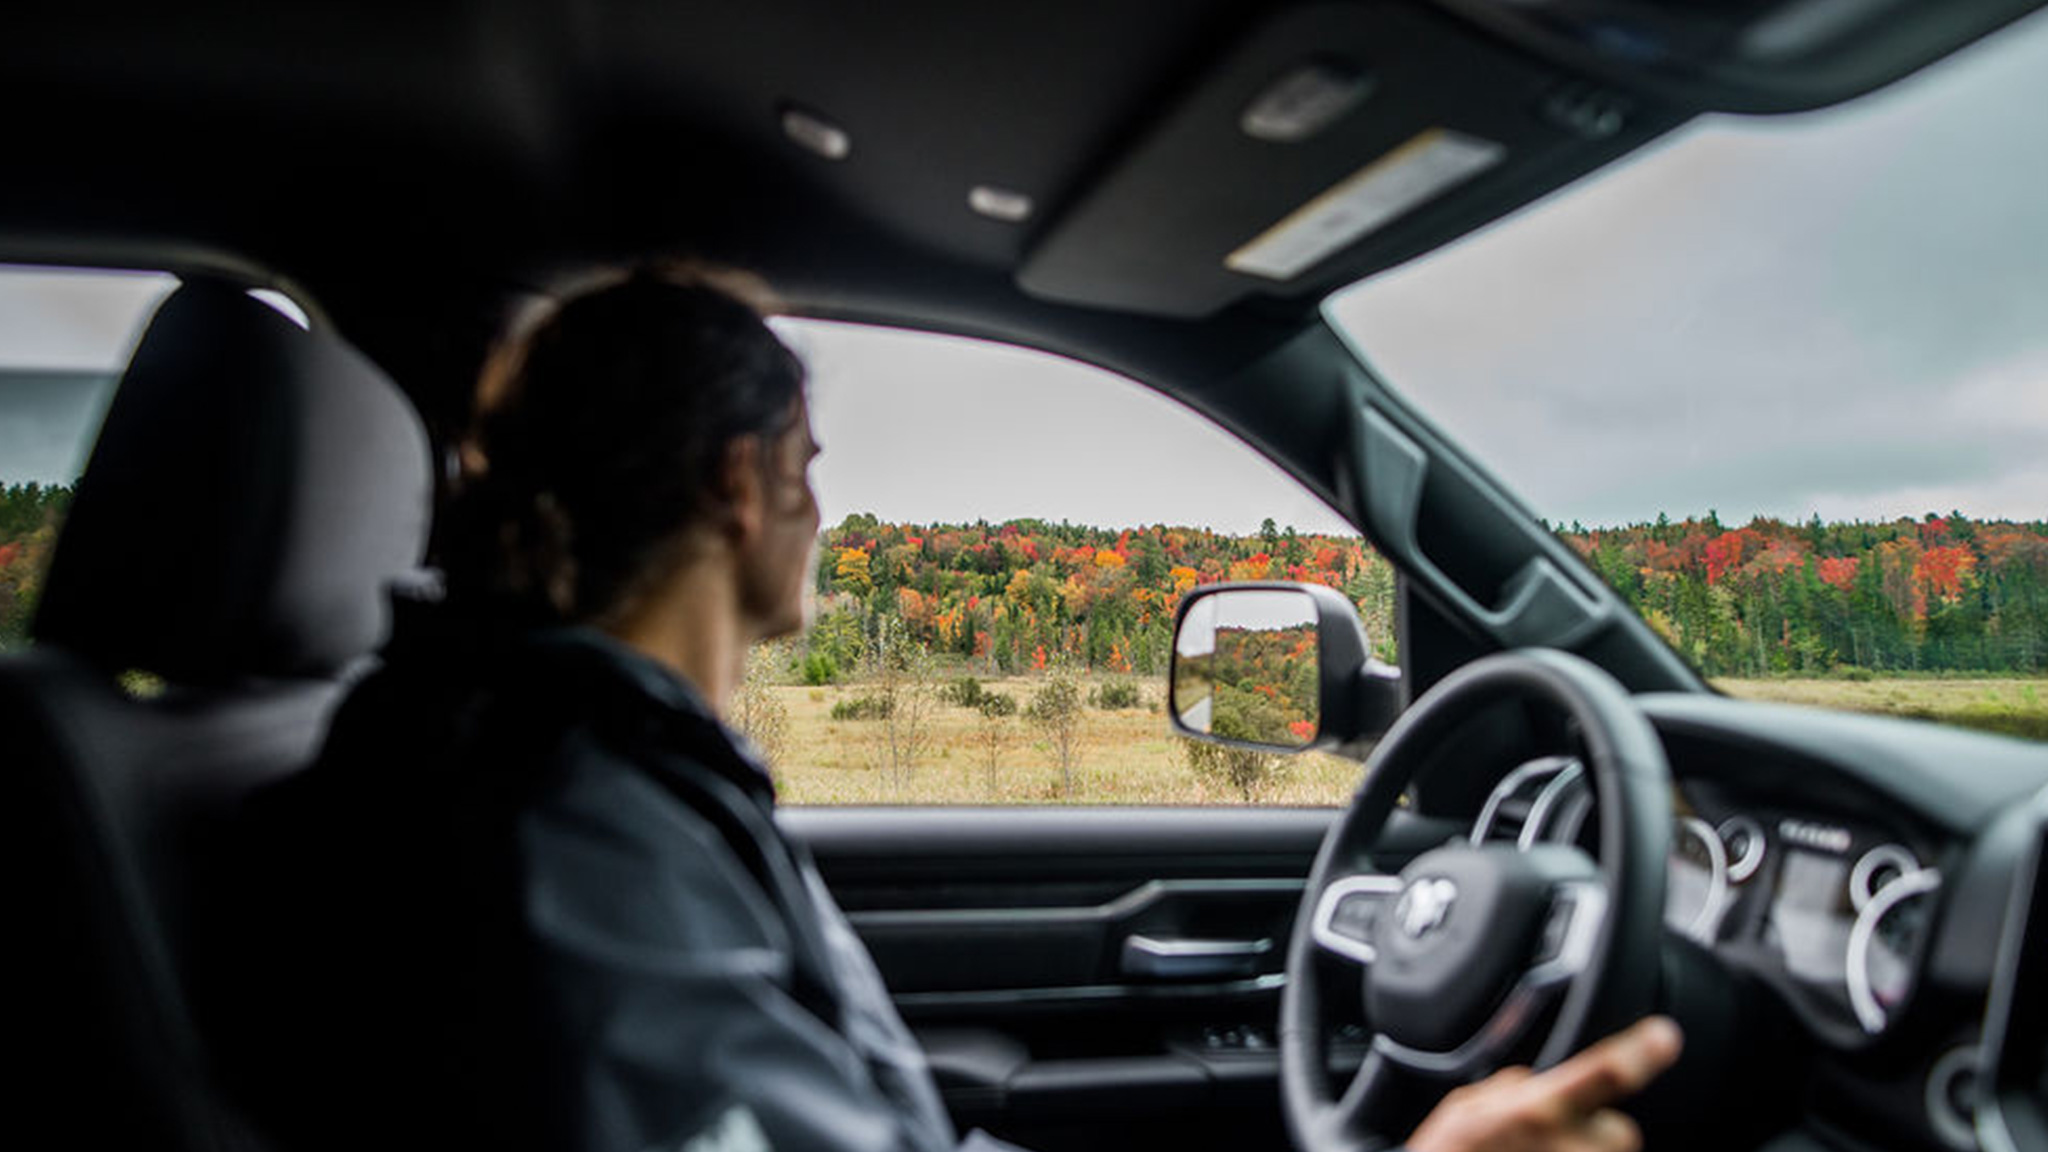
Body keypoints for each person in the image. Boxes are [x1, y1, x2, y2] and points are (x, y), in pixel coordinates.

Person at [216, 263, 1681, 1152]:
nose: (823, 504)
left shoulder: (546, 759)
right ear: (741, 482)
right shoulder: (556, 827)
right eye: (810, 458)